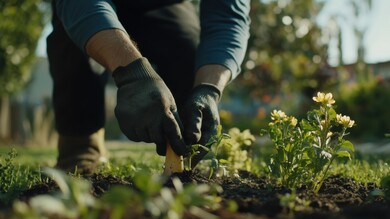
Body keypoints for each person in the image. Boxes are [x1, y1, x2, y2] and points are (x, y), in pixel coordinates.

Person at [46, 0, 251, 174]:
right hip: (91, 6)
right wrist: (133, 75)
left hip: (163, 6)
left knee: (188, 49)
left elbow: (228, 19)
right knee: (72, 42)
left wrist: (208, 89)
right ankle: (80, 147)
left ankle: (184, 157)